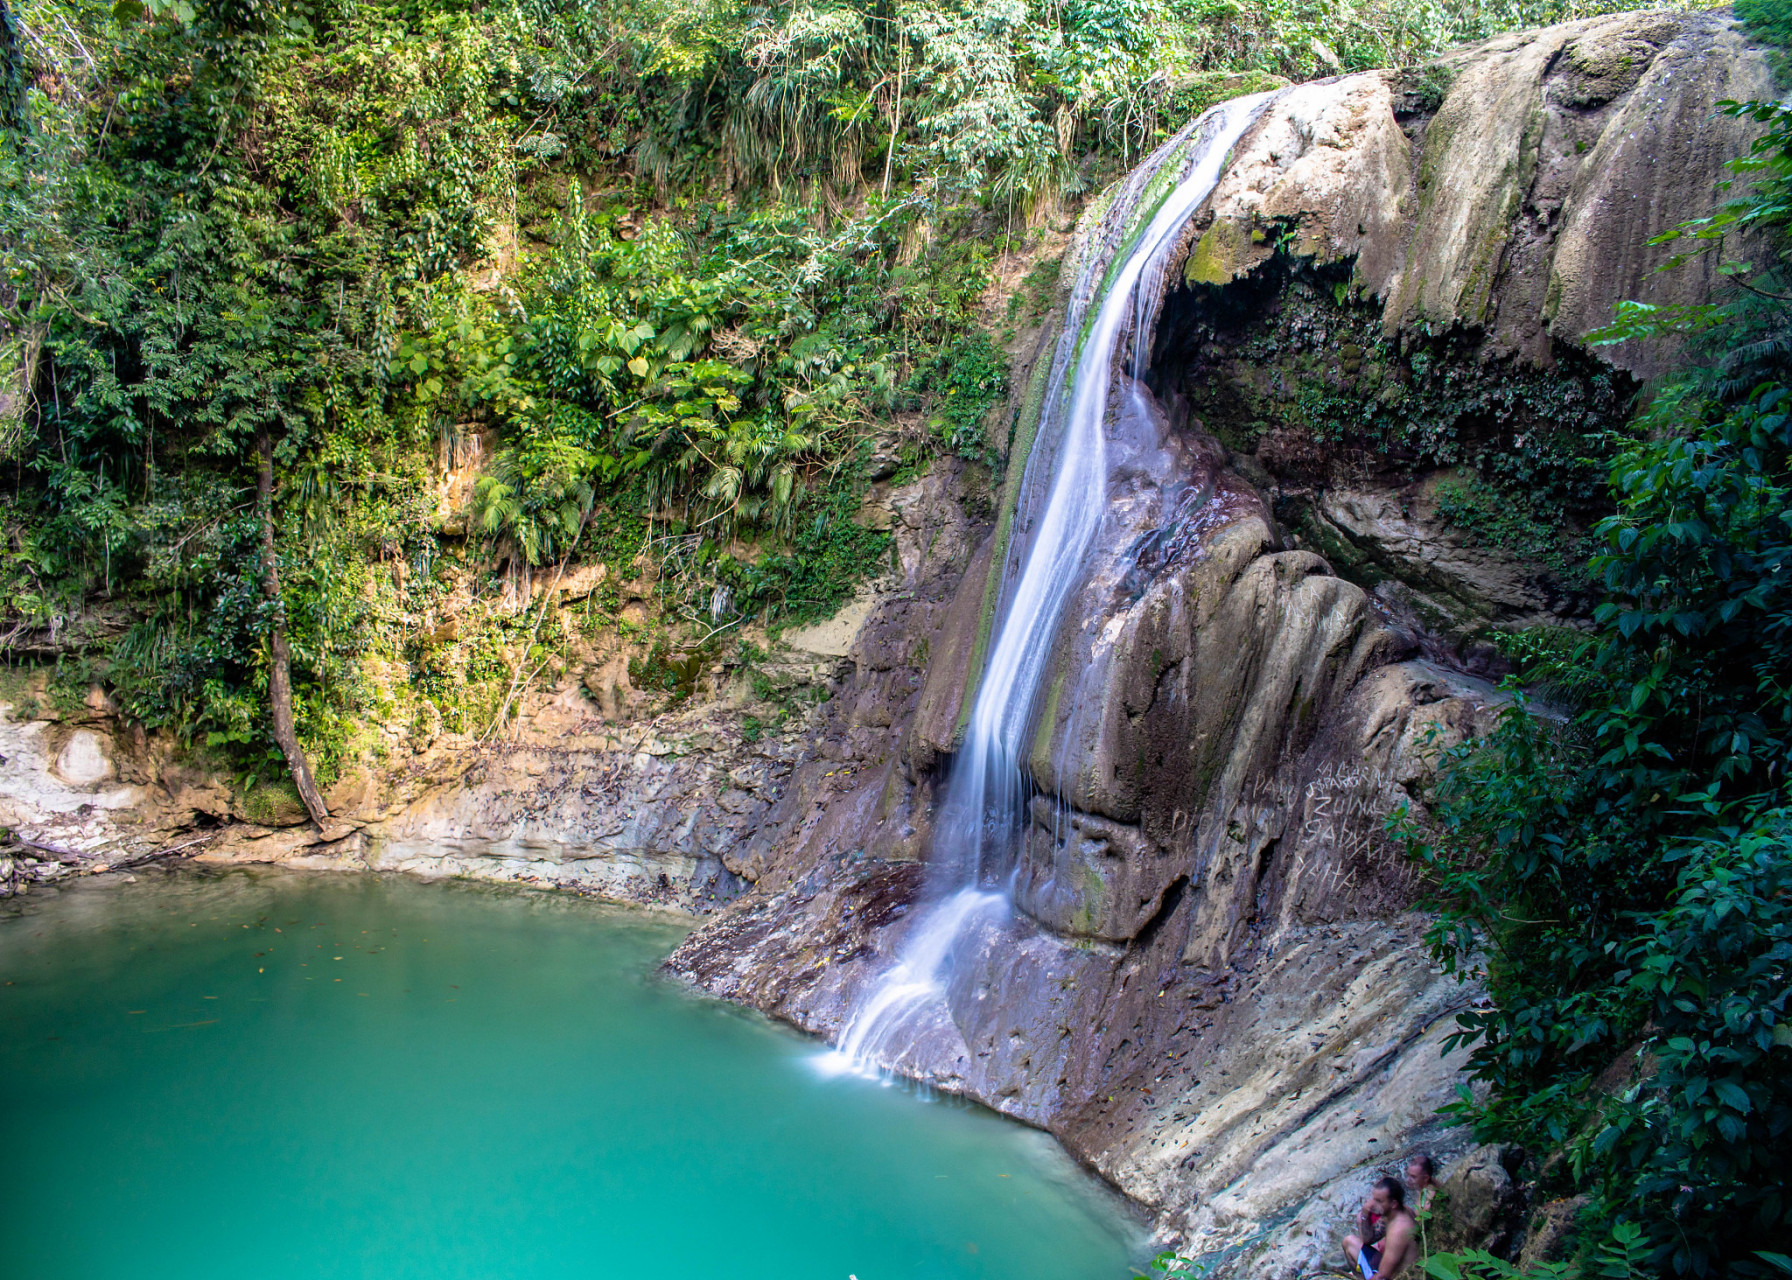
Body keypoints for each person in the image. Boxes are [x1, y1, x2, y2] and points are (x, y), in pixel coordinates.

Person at [1344, 1177, 1417, 1280]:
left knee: (1350, 1243)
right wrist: (1365, 1214)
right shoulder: (1397, 1213)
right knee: (1349, 1242)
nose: (1372, 1204)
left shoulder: (1398, 1230)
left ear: (1393, 1204)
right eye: (1373, 1198)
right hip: (1394, 1272)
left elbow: (1382, 1276)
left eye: (1378, 1201)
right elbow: (1367, 1240)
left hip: (1400, 1277)